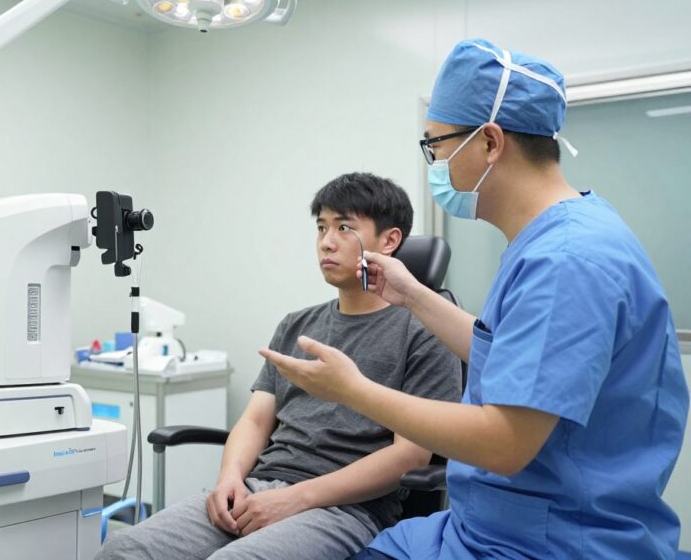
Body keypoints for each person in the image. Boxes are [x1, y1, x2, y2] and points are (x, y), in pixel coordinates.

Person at [262, 39, 689, 559]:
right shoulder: (548, 239)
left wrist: (352, 390)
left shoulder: (567, 260)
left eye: (436, 146)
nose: (435, 163)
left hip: (552, 539)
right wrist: (414, 296)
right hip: (485, 521)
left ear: (489, 142)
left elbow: (504, 443)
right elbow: (506, 353)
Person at [96, 172, 461, 560]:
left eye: (344, 227)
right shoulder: (296, 325)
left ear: (389, 241)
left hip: (347, 509)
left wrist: (293, 500)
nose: (326, 242)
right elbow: (255, 421)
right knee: (126, 549)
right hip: (258, 488)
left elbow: (411, 456)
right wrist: (230, 480)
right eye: (321, 227)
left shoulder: (426, 330)